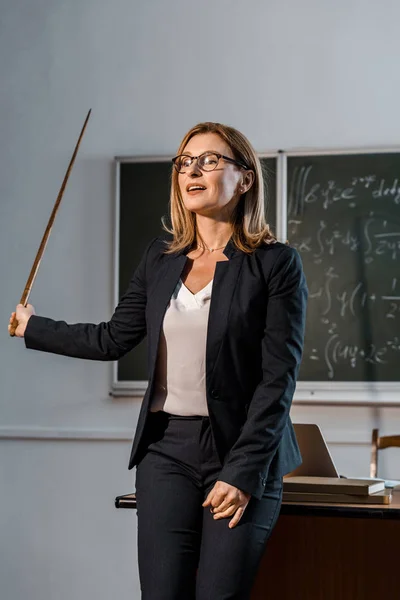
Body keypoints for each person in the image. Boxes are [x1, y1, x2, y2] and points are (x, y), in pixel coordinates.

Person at [9, 121, 308, 600]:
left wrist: (242, 472)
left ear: (245, 178)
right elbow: (112, 338)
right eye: (185, 161)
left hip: (241, 450)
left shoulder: (275, 264)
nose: (193, 169)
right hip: (166, 450)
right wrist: (33, 327)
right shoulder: (161, 257)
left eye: (210, 160)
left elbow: (278, 380)